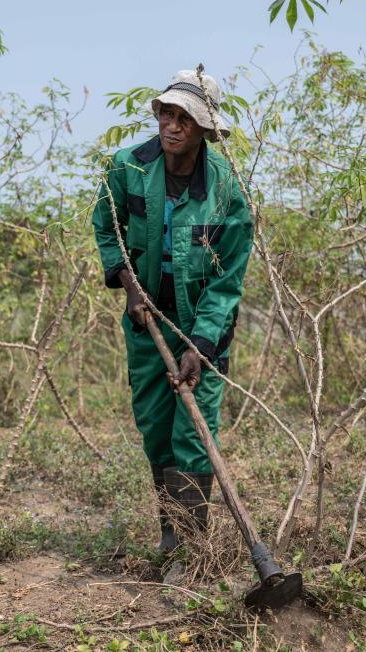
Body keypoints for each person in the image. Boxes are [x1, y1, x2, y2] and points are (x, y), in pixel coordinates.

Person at [91, 68, 254, 555]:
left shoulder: (227, 190)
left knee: (195, 434)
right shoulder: (129, 167)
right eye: (167, 114)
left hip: (203, 330)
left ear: (204, 129)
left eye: (186, 118)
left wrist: (200, 347)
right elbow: (106, 226)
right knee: (158, 429)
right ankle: (171, 537)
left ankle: (193, 545)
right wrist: (128, 286)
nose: (173, 126)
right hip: (146, 323)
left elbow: (228, 282)